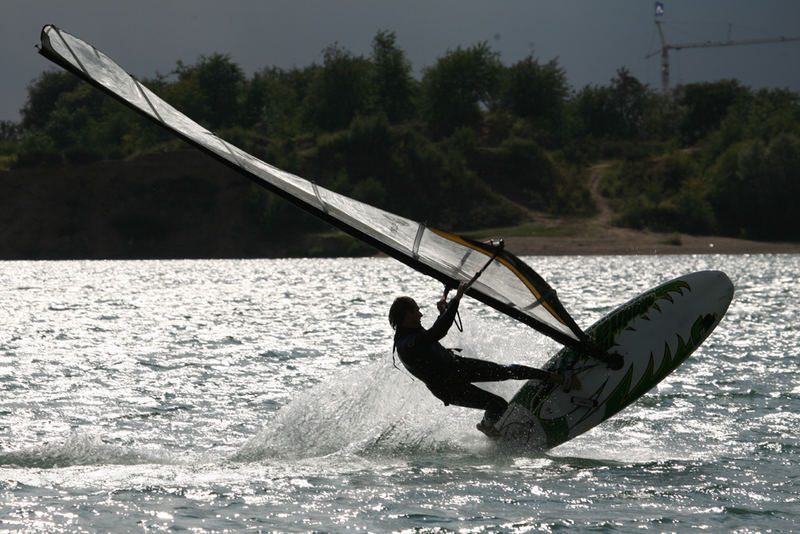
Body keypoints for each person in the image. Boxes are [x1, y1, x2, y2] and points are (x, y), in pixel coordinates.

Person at [389, 282, 570, 436]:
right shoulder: (406, 343)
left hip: (457, 367)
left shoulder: (412, 332)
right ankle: (487, 427)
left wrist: (444, 312)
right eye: (417, 311)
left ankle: (550, 377)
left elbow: (433, 333)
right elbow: (437, 333)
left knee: (506, 371)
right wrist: (456, 300)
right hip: (448, 387)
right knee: (497, 404)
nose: (420, 315)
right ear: (407, 315)